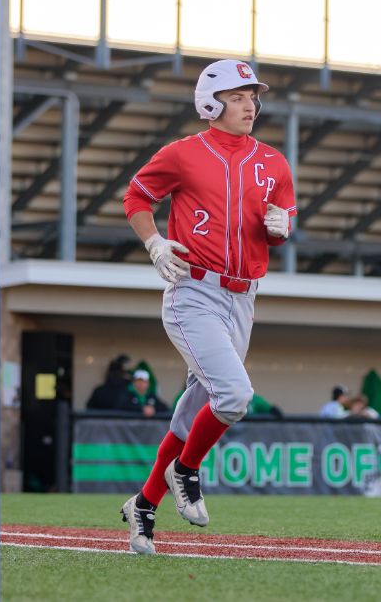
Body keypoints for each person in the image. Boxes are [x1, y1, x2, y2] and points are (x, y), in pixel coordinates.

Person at [117, 59, 295, 554]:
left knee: (195, 409)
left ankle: (144, 505)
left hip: (244, 298)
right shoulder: (183, 153)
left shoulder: (274, 163)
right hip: (192, 291)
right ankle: (187, 471)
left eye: (252, 96)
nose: (249, 104)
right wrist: (153, 242)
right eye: (237, 96)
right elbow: (136, 197)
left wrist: (281, 229)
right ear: (210, 103)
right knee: (235, 395)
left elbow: (281, 222)